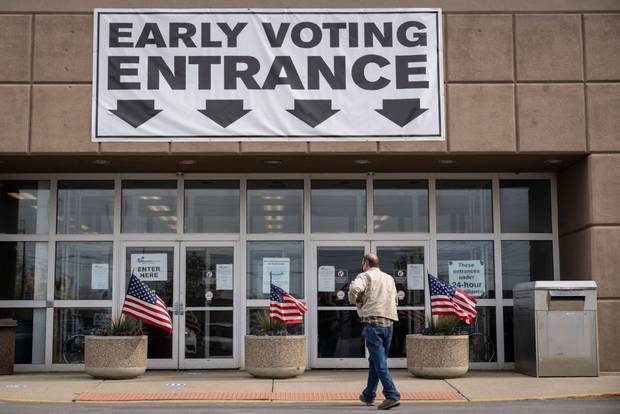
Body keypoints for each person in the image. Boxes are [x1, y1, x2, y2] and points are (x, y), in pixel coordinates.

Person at [348, 252, 400, 410]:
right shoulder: (389, 278)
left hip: (373, 324)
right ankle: (369, 394)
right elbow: (396, 300)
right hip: (389, 323)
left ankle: (392, 395)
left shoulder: (364, 276)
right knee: (375, 361)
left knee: (380, 362)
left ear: (365, 263)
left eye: (362, 263)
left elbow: (355, 289)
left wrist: (354, 300)